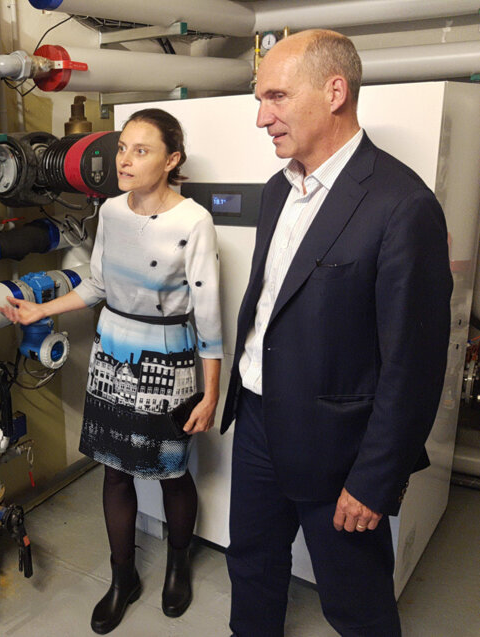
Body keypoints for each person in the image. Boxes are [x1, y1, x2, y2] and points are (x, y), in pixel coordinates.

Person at [220, 29, 452, 636]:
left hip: (339, 448)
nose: (260, 117)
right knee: (250, 565)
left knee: (355, 602)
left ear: (334, 91)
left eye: (274, 96)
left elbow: (414, 366)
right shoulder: (278, 191)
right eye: (258, 99)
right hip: (258, 424)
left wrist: (374, 482)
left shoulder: (403, 207)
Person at [0, 108, 222, 634]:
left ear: (172, 161)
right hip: (113, 348)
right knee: (114, 469)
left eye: (141, 151)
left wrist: (211, 393)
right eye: (123, 148)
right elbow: (96, 286)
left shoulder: (194, 222)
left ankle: (177, 565)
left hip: (169, 355)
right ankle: (123, 578)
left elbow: (208, 313)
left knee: (172, 469)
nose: (125, 159)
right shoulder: (111, 213)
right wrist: (39, 311)